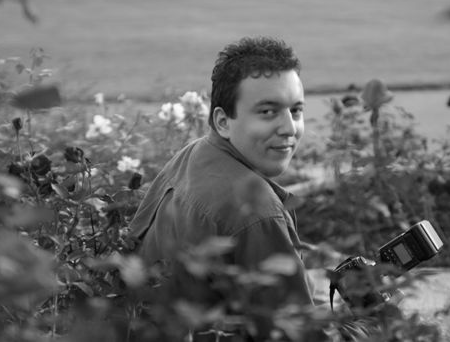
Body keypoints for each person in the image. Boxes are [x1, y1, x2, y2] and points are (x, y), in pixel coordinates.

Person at [128, 36, 314, 338]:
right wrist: (370, 317)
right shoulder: (257, 212)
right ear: (223, 121)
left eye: (295, 111)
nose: (289, 128)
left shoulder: (191, 156)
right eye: (268, 111)